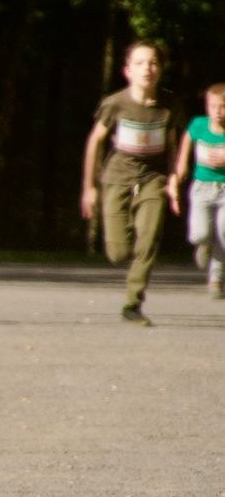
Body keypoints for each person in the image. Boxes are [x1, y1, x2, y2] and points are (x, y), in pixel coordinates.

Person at [83, 41, 176, 325]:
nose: (147, 69)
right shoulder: (115, 104)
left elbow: (173, 145)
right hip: (117, 178)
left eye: (153, 63)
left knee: (149, 239)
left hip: (153, 179)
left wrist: (173, 179)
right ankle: (122, 249)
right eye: (140, 63)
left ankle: (133, 303)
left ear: (160, 69)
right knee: (119, 253)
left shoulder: (169, 104)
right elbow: (94, 142)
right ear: (127, 71)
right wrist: (89, 187)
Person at [172, 81, 225, 301]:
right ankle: (203, 244)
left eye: (223, 107)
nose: (218, 112)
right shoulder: (199, 125)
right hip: (202, 187)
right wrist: (181, 164)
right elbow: (187, 138)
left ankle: (216, 278)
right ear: (207, 106)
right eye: (213, 106)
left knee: (224, 233)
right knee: (199, 233)